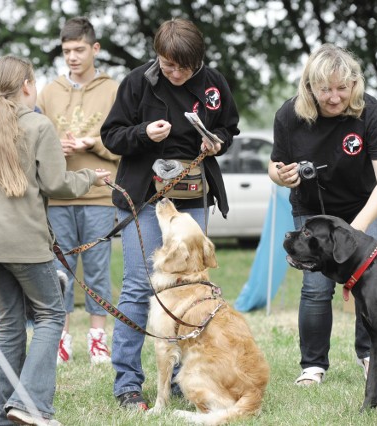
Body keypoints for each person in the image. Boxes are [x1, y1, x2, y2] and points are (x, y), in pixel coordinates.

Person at [0, 55, 110, 426]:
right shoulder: (38, 126)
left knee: (10, 324)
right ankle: (29, 405)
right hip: (24, 241)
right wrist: (91, 176)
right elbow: (58, 185)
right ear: (28, 84)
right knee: (50, 314)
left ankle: (1, 417)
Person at [100, 18, 239, 409]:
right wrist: (144, 133)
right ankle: (128, 383)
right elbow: (111, 136)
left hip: (194, 194)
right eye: (166, 65)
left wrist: (218, 143)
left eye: (181, 67)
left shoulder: (214, 84)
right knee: (137, 284)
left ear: (197, 61)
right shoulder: (136, 82)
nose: (173, 72)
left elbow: (230, 127)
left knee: (190, 286)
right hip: (146, 194)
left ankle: (183, 376)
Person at [268, 43, 377, 386]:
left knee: (373, 283)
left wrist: (358, 230)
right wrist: (280, 175)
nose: (335, 97)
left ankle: (371, 357)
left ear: (354, 83)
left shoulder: (371, 113)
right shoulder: (289, 116)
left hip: (367, 204)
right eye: (326, 89)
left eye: (343, 88)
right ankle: (312, 366)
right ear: (310, 86)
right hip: (313, 208)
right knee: (315, 286)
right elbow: (274, 165)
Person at [37, 16, 120, 365]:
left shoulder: (114, 89)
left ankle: (98, 340)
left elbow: (122, 146)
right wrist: (57, 146)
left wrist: (93, 143)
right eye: (66, 50)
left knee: (98, 270)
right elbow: (36, 141)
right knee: (61, 271)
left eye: (79, 49)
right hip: (59, 195)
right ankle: (62, 340)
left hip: (100, 194)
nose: (72, 56)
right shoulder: (49, 91)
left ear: (95, 49)